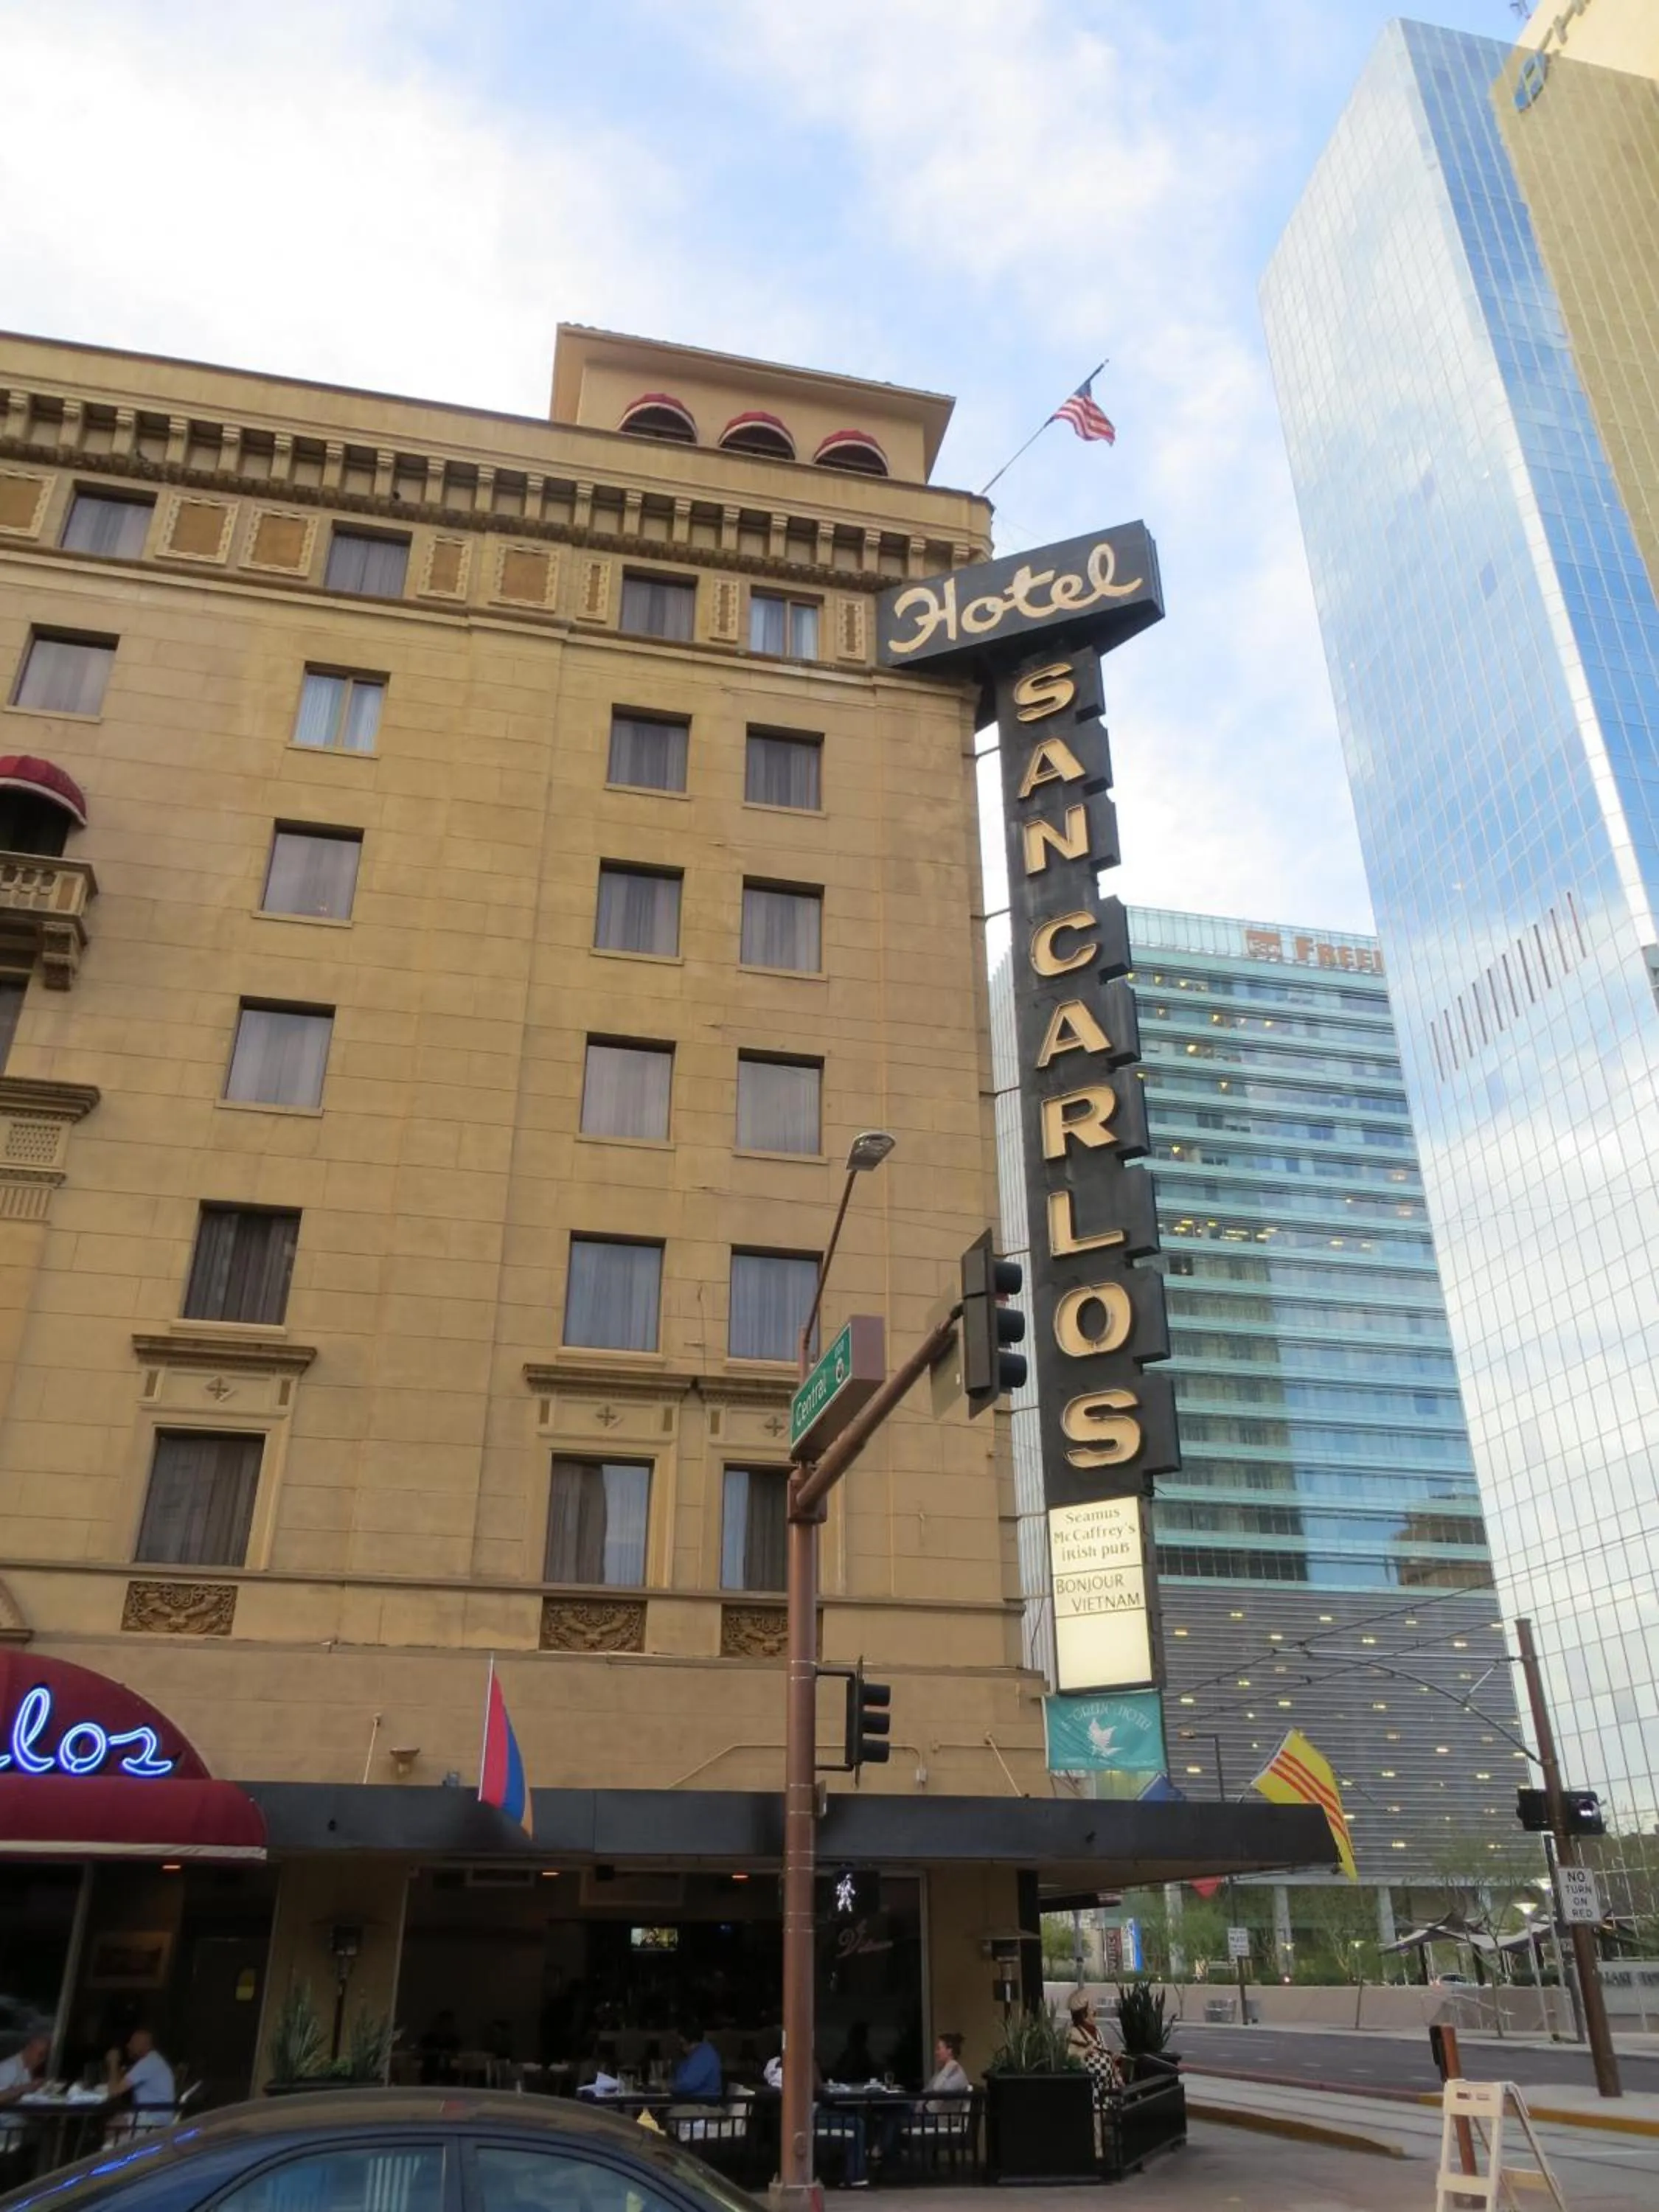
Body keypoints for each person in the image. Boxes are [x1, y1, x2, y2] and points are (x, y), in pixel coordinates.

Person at [105, 2027, 175, 2127]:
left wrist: (113, 2062)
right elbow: (121, 2082)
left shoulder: (148, 2064)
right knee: (117, 2118)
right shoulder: (153, 2059)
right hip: (155, 2114)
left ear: (144, 2046)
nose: (128, 2046)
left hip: (154, 2118)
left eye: (133, 2043)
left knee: (112, 2126)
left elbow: (114, 2092)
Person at [0, 2031, 49, 2149]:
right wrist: (28, 2087)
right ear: (29, 2049)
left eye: (45, 2055)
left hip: (18, 2126)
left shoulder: (26, 2069)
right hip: (5, 2129)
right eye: (40, 2054)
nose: (42, 2059)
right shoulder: (9, 2067)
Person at [669, 2022, 721, 2102]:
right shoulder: (693, 2056)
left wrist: (669, 2086)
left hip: (703, 2104)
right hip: (692, 2102)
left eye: (681, 2044)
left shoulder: (704, 2054)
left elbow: (687, 2084)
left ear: (692, 2042)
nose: (680, 2048)